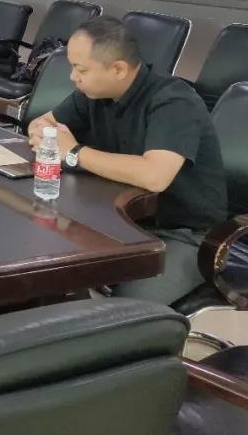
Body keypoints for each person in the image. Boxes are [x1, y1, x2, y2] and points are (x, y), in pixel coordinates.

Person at [28, 16, 227, 304]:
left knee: (127, 309)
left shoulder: (173, 101)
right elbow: (43, 123)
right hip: (119, 218)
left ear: (118, 69)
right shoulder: (93, 93)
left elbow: (154, 176)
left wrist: (73, 152)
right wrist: (44, 133)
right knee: (45, 261)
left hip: (183, 234)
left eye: (81, 69)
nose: (73, 77)